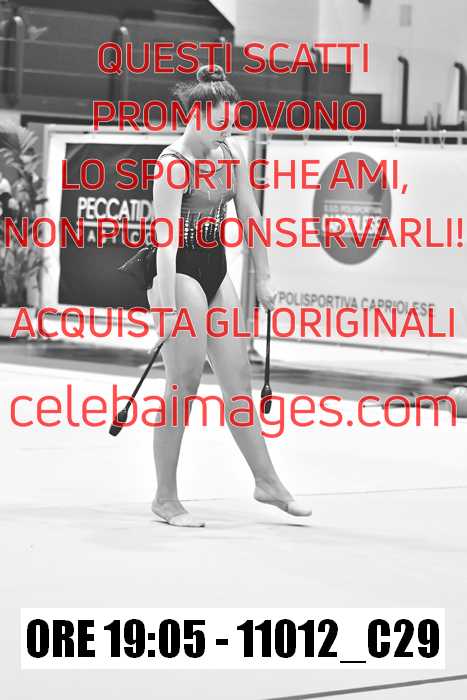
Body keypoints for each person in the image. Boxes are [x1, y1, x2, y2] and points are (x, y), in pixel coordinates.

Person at [119, 64, 312, 527]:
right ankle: (165, 498)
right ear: (198, 114)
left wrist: (263, 277)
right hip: (177, 270)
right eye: (221, 122)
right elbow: (166, 244)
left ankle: (266, 482)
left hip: (215, 266)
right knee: (182, 384)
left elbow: (251, 216)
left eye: (232, 122)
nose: (227, 130)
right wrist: (167, 312)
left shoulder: (230, 154)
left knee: (238, 382)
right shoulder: (174, 164)